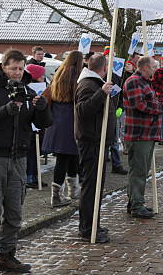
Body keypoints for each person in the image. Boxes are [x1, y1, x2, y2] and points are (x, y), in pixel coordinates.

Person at [0, 49, 52, 274]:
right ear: (3, 67)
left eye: (20, 68)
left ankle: (7, 256)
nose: (17, 72)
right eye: (13, 68)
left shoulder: (26, 91)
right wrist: (7, 109)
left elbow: (42, 124)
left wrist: (42, 109)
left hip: (19, 159)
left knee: (14, 213)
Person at [74, 53, 116, 242]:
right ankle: (87, 228)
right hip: (91, 141)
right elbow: (83, 110)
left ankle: (93, 224)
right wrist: (102, 93)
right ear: (103, 68)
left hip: (98, 140)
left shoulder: (95, 83)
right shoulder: (88, 84)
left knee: (96, 186)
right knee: (91, 186)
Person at [42, 52, 84, 207]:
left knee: (69, 156)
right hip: (71, 120)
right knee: (65, 158)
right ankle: (57, 195)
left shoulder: (58, 75)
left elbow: (47, 96)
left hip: (57, 121)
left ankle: (72, 190)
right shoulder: (78, 77)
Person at [123, 56, 163, 219]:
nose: (155, 69)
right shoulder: (134, 81)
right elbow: (139, 104)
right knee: (138, 171)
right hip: (139, 133)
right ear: (145, 67)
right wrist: (157, 109)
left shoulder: (145, 82)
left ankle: (134, 201)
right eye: (153, 66)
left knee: (141, 170)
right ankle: (136, 205)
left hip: (147, 132)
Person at [24, 64, 48, 190]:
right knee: (31, 153)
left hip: (38, 126)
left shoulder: (42, 88)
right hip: (31, 128)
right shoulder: (29, 89)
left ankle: (36, 176)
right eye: (41, 75)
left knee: (36, 152)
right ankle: (29, 177)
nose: (44, 77)